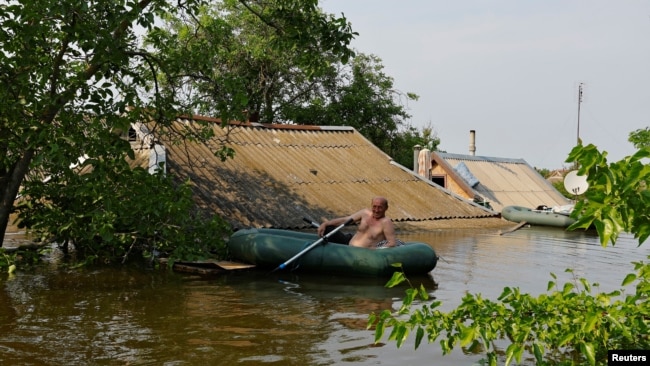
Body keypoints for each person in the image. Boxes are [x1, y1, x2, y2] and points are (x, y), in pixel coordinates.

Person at [317, 196, 402, 248]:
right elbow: (345, 220)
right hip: (348, 245)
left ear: (386, 208)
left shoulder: (386, 222)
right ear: (371, 205)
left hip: (363, 253)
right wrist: (325, 223)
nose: (376, 210)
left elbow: (392, 243)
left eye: (380, 207)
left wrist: (376, 249)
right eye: (374, 206)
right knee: (328, 229)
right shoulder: (365, 213)